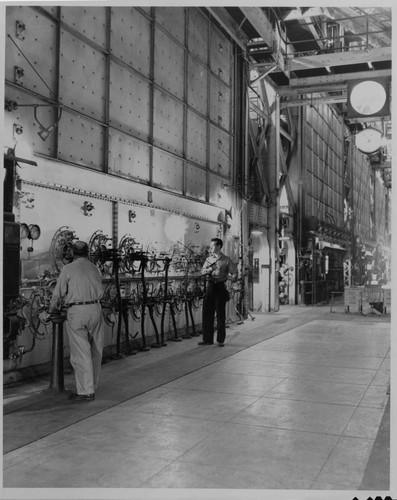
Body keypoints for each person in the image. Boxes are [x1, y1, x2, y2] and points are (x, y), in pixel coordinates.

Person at [49, 240, 104, 402]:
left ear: (72, 253)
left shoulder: (68, 269)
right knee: (96, 350)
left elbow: (58, 294)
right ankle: (92, 385)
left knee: (81, 352)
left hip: (77, 311)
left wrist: (51, 310)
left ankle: (86, 391)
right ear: (88, 253)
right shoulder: (95, 268)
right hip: (96, 309)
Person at [199, 237, 237, 347]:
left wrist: (228, 277)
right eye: (210, 246)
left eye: (213, 246)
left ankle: (220, 340)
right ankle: (207, 339)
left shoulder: (226, 260)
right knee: (207, 314)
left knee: (220, 315)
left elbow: (234, 274)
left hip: (220, 287)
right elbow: (202, 271)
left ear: (219, 246)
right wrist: (209, 270)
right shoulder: (209, 259)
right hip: (210, 287)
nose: (211, 248)